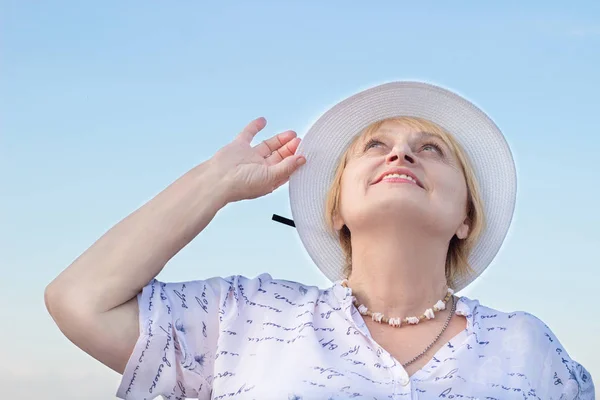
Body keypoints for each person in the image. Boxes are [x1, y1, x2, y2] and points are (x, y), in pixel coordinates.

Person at [45, 82, 595, 399]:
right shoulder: (247, 319)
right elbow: (80, 300)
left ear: (466, 219)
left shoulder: (527, 347)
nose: (400, 154)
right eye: (376, 145)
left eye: (432, 149)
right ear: (336, 211)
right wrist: (214, 183)